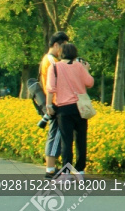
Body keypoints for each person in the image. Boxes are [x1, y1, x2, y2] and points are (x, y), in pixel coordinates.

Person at [45, 42, 93, 178]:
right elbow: (89, 83)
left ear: (61, 53)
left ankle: (66, 172)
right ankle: (80, 171)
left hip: (64, 109)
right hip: (81, 108)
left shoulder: (54, 68)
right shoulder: (79, 67)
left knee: (66, 141)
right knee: (81, 139)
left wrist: (49, 106)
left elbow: (50, 89)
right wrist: (87, 69)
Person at [40, 31, 69, 178]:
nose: (64, 51)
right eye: (63, 47)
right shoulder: (52, 62)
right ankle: (50, 169)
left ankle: (51, 167)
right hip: (57, 103)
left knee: (55, 135)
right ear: (56, 45)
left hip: (55, 101)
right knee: (56, 135)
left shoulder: (48, 60)